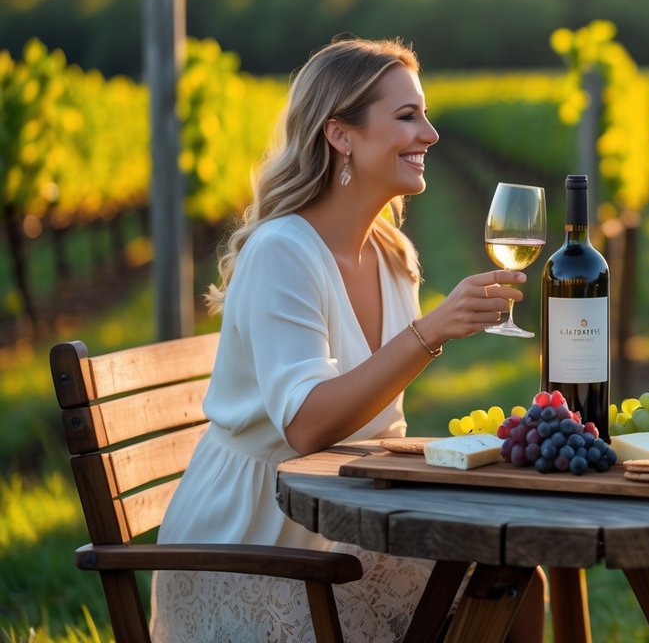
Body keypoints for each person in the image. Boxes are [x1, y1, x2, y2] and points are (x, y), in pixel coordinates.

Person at [151, 37, 544, 643]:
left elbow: (380, 429)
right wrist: (432, 329)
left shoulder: (393, 255)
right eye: (407, 116)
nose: (431, 134)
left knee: (515, 580)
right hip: (251, 545)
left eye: (426, 114)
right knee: (500, 589)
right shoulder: (281, 251)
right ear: (341, 135)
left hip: (339, 524)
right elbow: (306, 427)